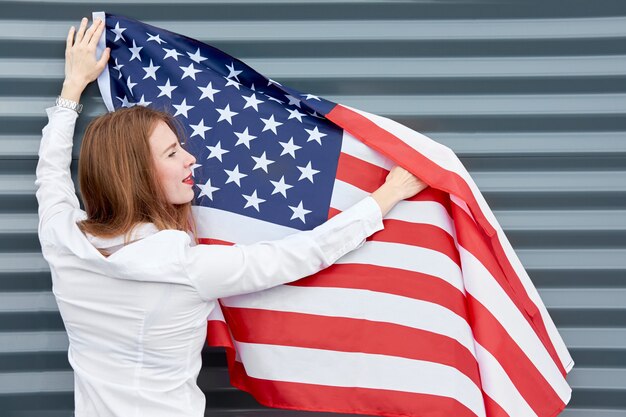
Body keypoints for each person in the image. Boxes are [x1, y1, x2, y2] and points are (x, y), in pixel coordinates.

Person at [35, 17, 427, 417]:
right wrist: (386, 195)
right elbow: (305, 252)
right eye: (172, 153)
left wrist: (73, 85)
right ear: (136, 175)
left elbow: (49, 174)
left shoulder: (61, 239)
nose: (191, 159)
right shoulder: (187, 268)